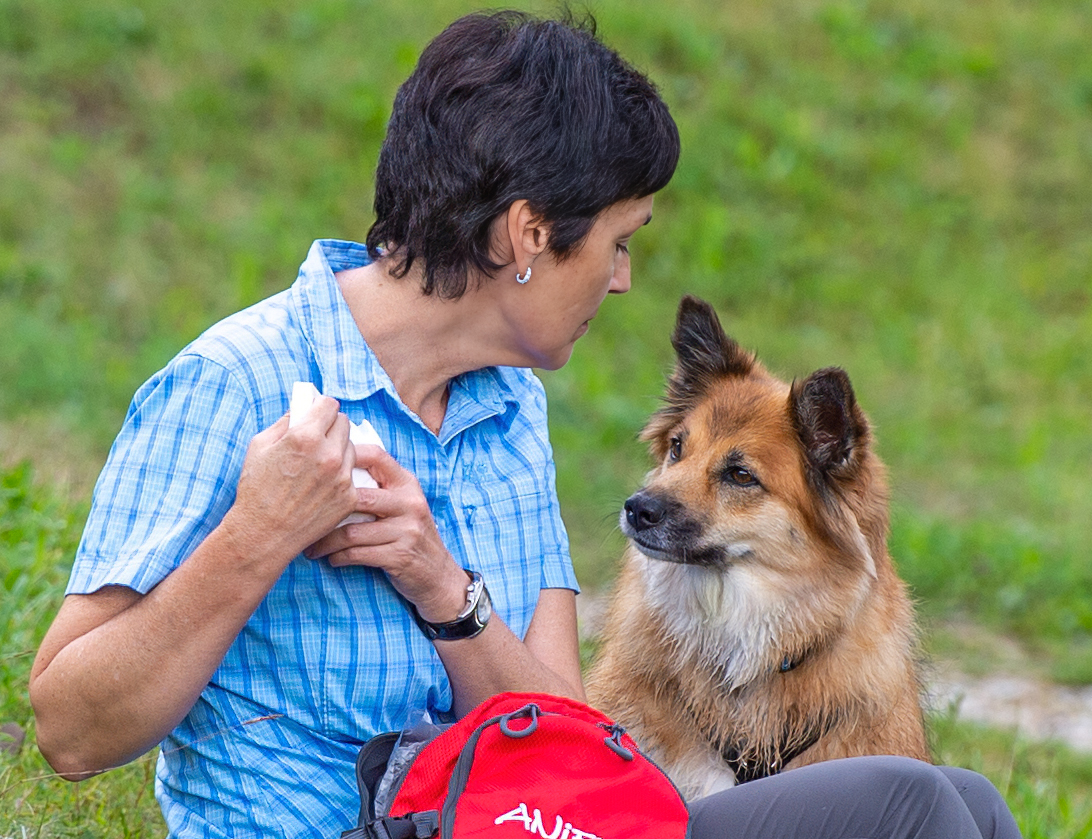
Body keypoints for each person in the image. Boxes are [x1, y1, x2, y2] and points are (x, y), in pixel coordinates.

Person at [30, 10, 1020, 839]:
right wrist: (260, 530)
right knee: (912, 798)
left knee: (966, 797)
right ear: (528, 236)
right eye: (619, 243)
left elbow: (560, 725)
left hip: (524, 814)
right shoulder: (231, 384)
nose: (625, 278)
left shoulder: (508, 407)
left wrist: (441, 584)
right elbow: (69, 728)